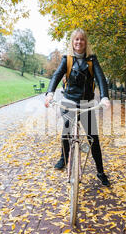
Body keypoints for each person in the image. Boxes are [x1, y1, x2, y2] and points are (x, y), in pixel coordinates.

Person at [44, 28, 111, 187]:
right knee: (66, 130)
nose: (79, 42)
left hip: (86, 103)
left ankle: (100, 172)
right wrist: (49, 94)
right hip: (69, 101)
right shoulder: (67, 59)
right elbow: (56, 76)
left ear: (85, 42)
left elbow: (101, 79)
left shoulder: (92, 60)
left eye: (81, 39)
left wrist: (104, 97)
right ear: (72, 42)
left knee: (93, 138)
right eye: (76, 40)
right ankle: (64, 158)